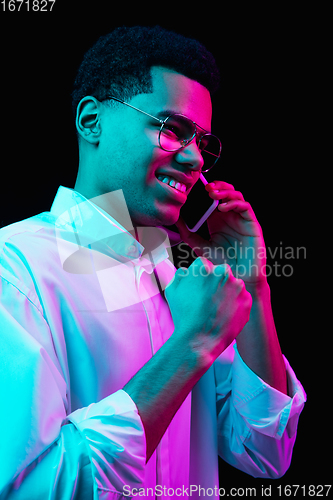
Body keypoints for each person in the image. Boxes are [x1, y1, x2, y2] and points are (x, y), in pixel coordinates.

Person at [0, 26, 306, 499]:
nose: (193, 160)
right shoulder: (16, 267)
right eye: (170, 129)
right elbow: (37, 488)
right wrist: (192, 344)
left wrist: (254, 285)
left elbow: (264, 450)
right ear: (91, 121)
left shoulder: (183, 283)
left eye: (201, 142)